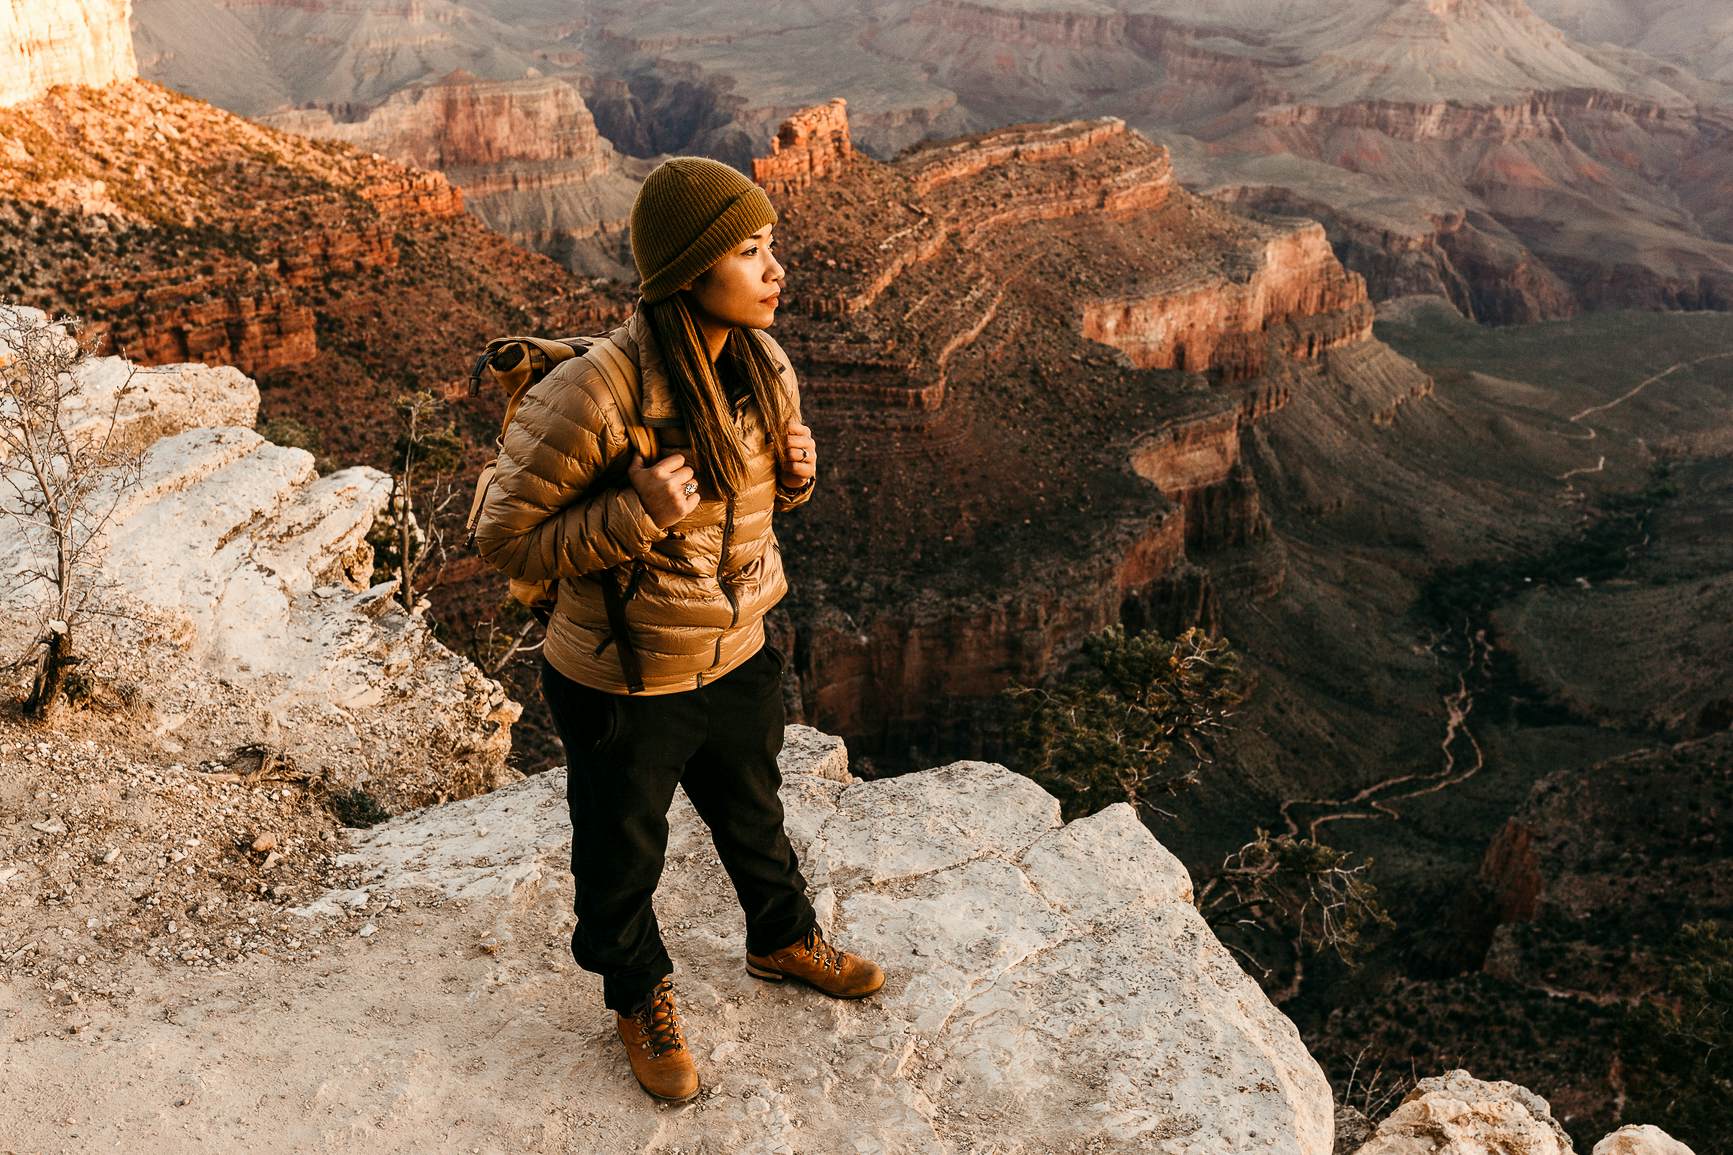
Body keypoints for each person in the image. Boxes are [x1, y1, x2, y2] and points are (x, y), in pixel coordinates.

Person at [472, 156, 885, 1104]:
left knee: (756, 813)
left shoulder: (761, 360)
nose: (776, 269)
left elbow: (753, 509)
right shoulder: (594, 393)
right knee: (621, 851)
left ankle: (781, 938)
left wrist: (799, 474)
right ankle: (637, 992)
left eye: (772, 245)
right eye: (750, 251)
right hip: (624, 676)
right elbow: (507, 540)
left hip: (736, 647)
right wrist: (634, 511)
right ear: (690, 272)